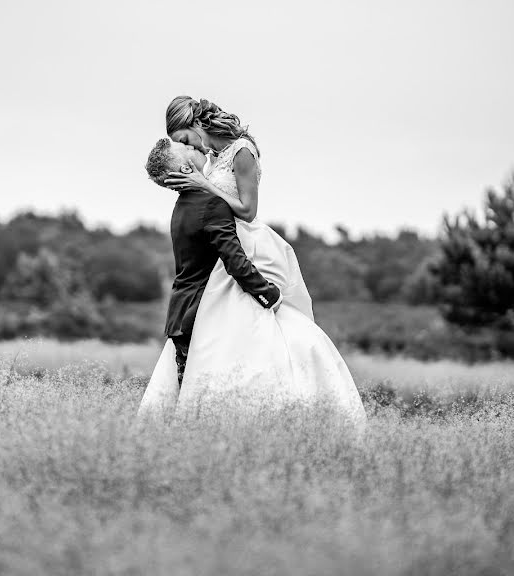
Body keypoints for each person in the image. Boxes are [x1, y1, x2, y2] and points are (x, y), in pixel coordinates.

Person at [137, 96, 366, 431]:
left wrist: (202, 185)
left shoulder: (241, 151)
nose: (189, 149)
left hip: (249, 244)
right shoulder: (213, 157)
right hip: (226, 258)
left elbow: (247, 211)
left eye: (184, 140)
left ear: (195, 125)